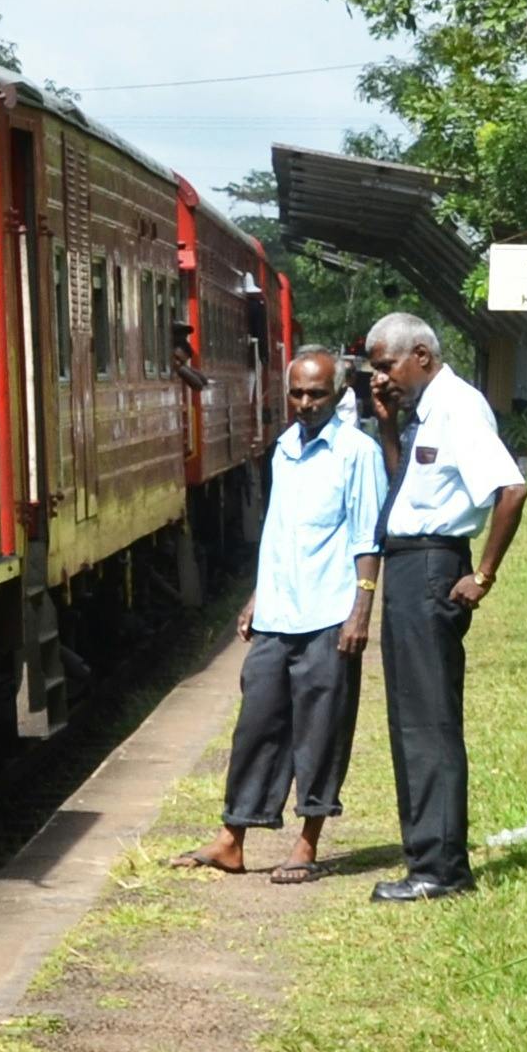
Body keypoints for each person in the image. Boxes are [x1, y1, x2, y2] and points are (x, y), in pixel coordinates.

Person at [188, 347, 382, 883]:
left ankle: (307, 842)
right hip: (278, 612)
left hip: (328, 613)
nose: (304, 403)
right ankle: (233, 837)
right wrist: (257, 597)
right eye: (296, 393)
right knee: (257, 725)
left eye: (315, 394)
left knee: (320, 730)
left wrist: (360, 610)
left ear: (338, 394)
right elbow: (277, 534)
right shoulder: (283, 449)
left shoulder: (357, 453)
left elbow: (368, 538)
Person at [360, 314, 526, 902]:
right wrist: (388, 429)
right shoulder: (425, 414)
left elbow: (511, 489)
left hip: (433, 566)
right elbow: (407, 492)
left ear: (422, 356)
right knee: (408, 720)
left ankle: (441, 870)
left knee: (429, 721)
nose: (380, 378)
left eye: (386, 366)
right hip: (408, 566)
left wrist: (482, 574)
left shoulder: (458, 407)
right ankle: (424, 858)